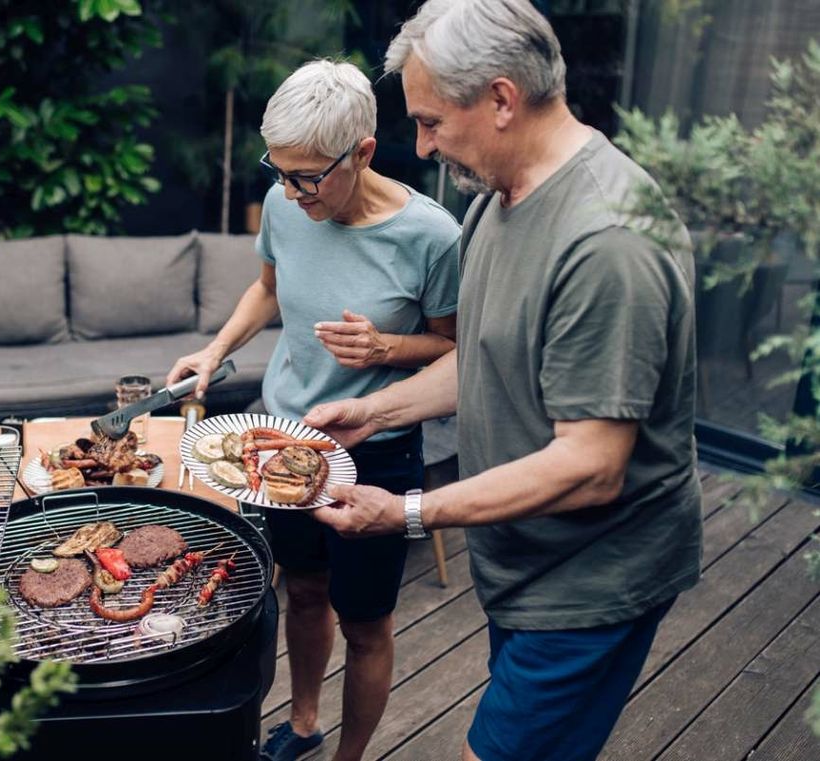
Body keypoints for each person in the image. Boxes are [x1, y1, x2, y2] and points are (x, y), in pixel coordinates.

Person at [302, 2, 703, 760]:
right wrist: (375, 410)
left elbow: (591, 465)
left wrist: (408, 511)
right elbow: (486, 358)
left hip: (589, 579)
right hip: (518, 558)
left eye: (429, 121)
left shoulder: (609, 241)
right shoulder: (493, 194)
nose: (419, 146)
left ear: (500, 99)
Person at [166, 60, 461, 761]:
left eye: (307, 176)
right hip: (280, 439)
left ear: (361, 153)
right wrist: (213, 352)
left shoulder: (434, 236)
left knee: (365, 624)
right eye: (279, 171)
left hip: (377, 453)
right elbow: (266, 290)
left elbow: (455, 351)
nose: (290, 191)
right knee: (301, 590)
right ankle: (302, 723)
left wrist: (387, 344)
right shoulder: (283, 203)